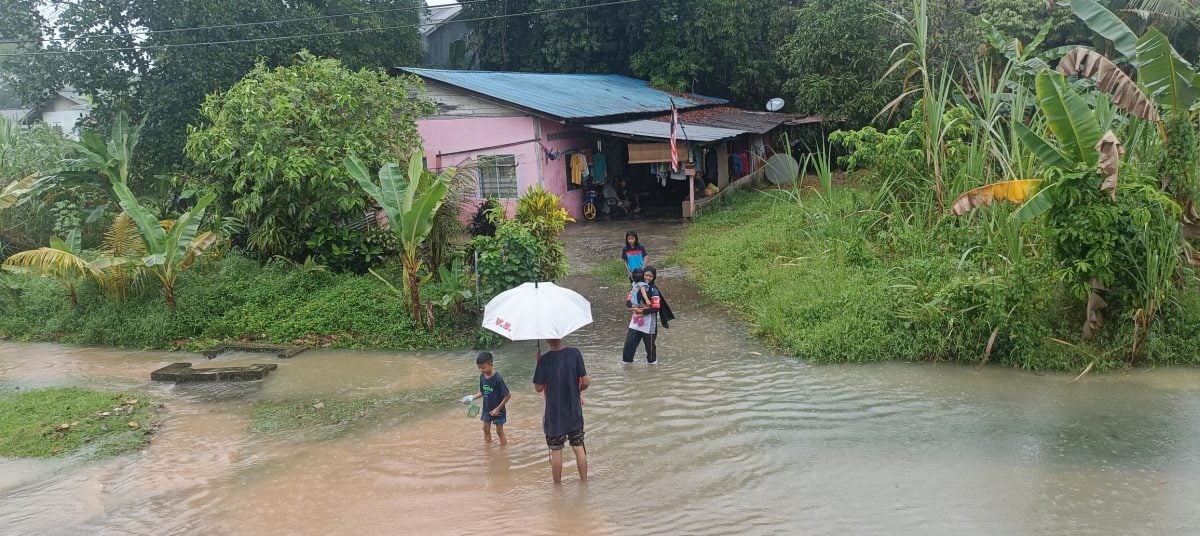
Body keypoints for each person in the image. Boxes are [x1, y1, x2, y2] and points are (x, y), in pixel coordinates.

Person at [532, 339, 590, 484]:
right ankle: (584, 483)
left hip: (554, 415)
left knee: (556, 450)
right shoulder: (575, 353)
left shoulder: (544, 360)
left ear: (547, 339)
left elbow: (538, 388)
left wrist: (538, 363)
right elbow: (586, 382)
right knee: (578, 446)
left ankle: (557, 489)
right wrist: (577, 391)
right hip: (574, 411)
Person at [462, 352, 510, 446]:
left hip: (498, 410)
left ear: (491, 364)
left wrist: (498, 408)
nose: (481, 370)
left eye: (483, 367)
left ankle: (504, 451)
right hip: (487, 409)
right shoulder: (482, 377)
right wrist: (471, 398)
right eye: (479, 368)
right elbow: (482, 392)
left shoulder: (498, 379)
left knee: (499, 431)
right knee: (485, 429)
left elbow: (507, 395)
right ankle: (488, 449)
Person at [623, 266, 662, 364]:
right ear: (642, 275)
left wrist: (642, 311)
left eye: (650, 276)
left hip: (649, 325)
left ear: (654, 277)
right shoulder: (635, 288)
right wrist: (634, 307)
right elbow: (628, 302)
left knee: (650, 351)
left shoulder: (654, 290)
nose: (648, 278)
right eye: (646, 275)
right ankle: (626, 368)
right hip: (635, 323)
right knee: (628, 347)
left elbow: (656, 308)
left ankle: (653, 370)